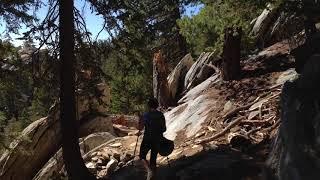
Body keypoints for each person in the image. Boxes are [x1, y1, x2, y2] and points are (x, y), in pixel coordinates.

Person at [138, 97, 166, 178]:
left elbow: (140, 128)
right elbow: (164, 129)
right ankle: (153, 175)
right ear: (157, 105)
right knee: (153, 159)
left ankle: (149, 171)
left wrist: (140, 120)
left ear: (148, 106)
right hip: (157, 139)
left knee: (142, 156)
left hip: (147, 138)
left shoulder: (145, 115)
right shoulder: (161, 115)